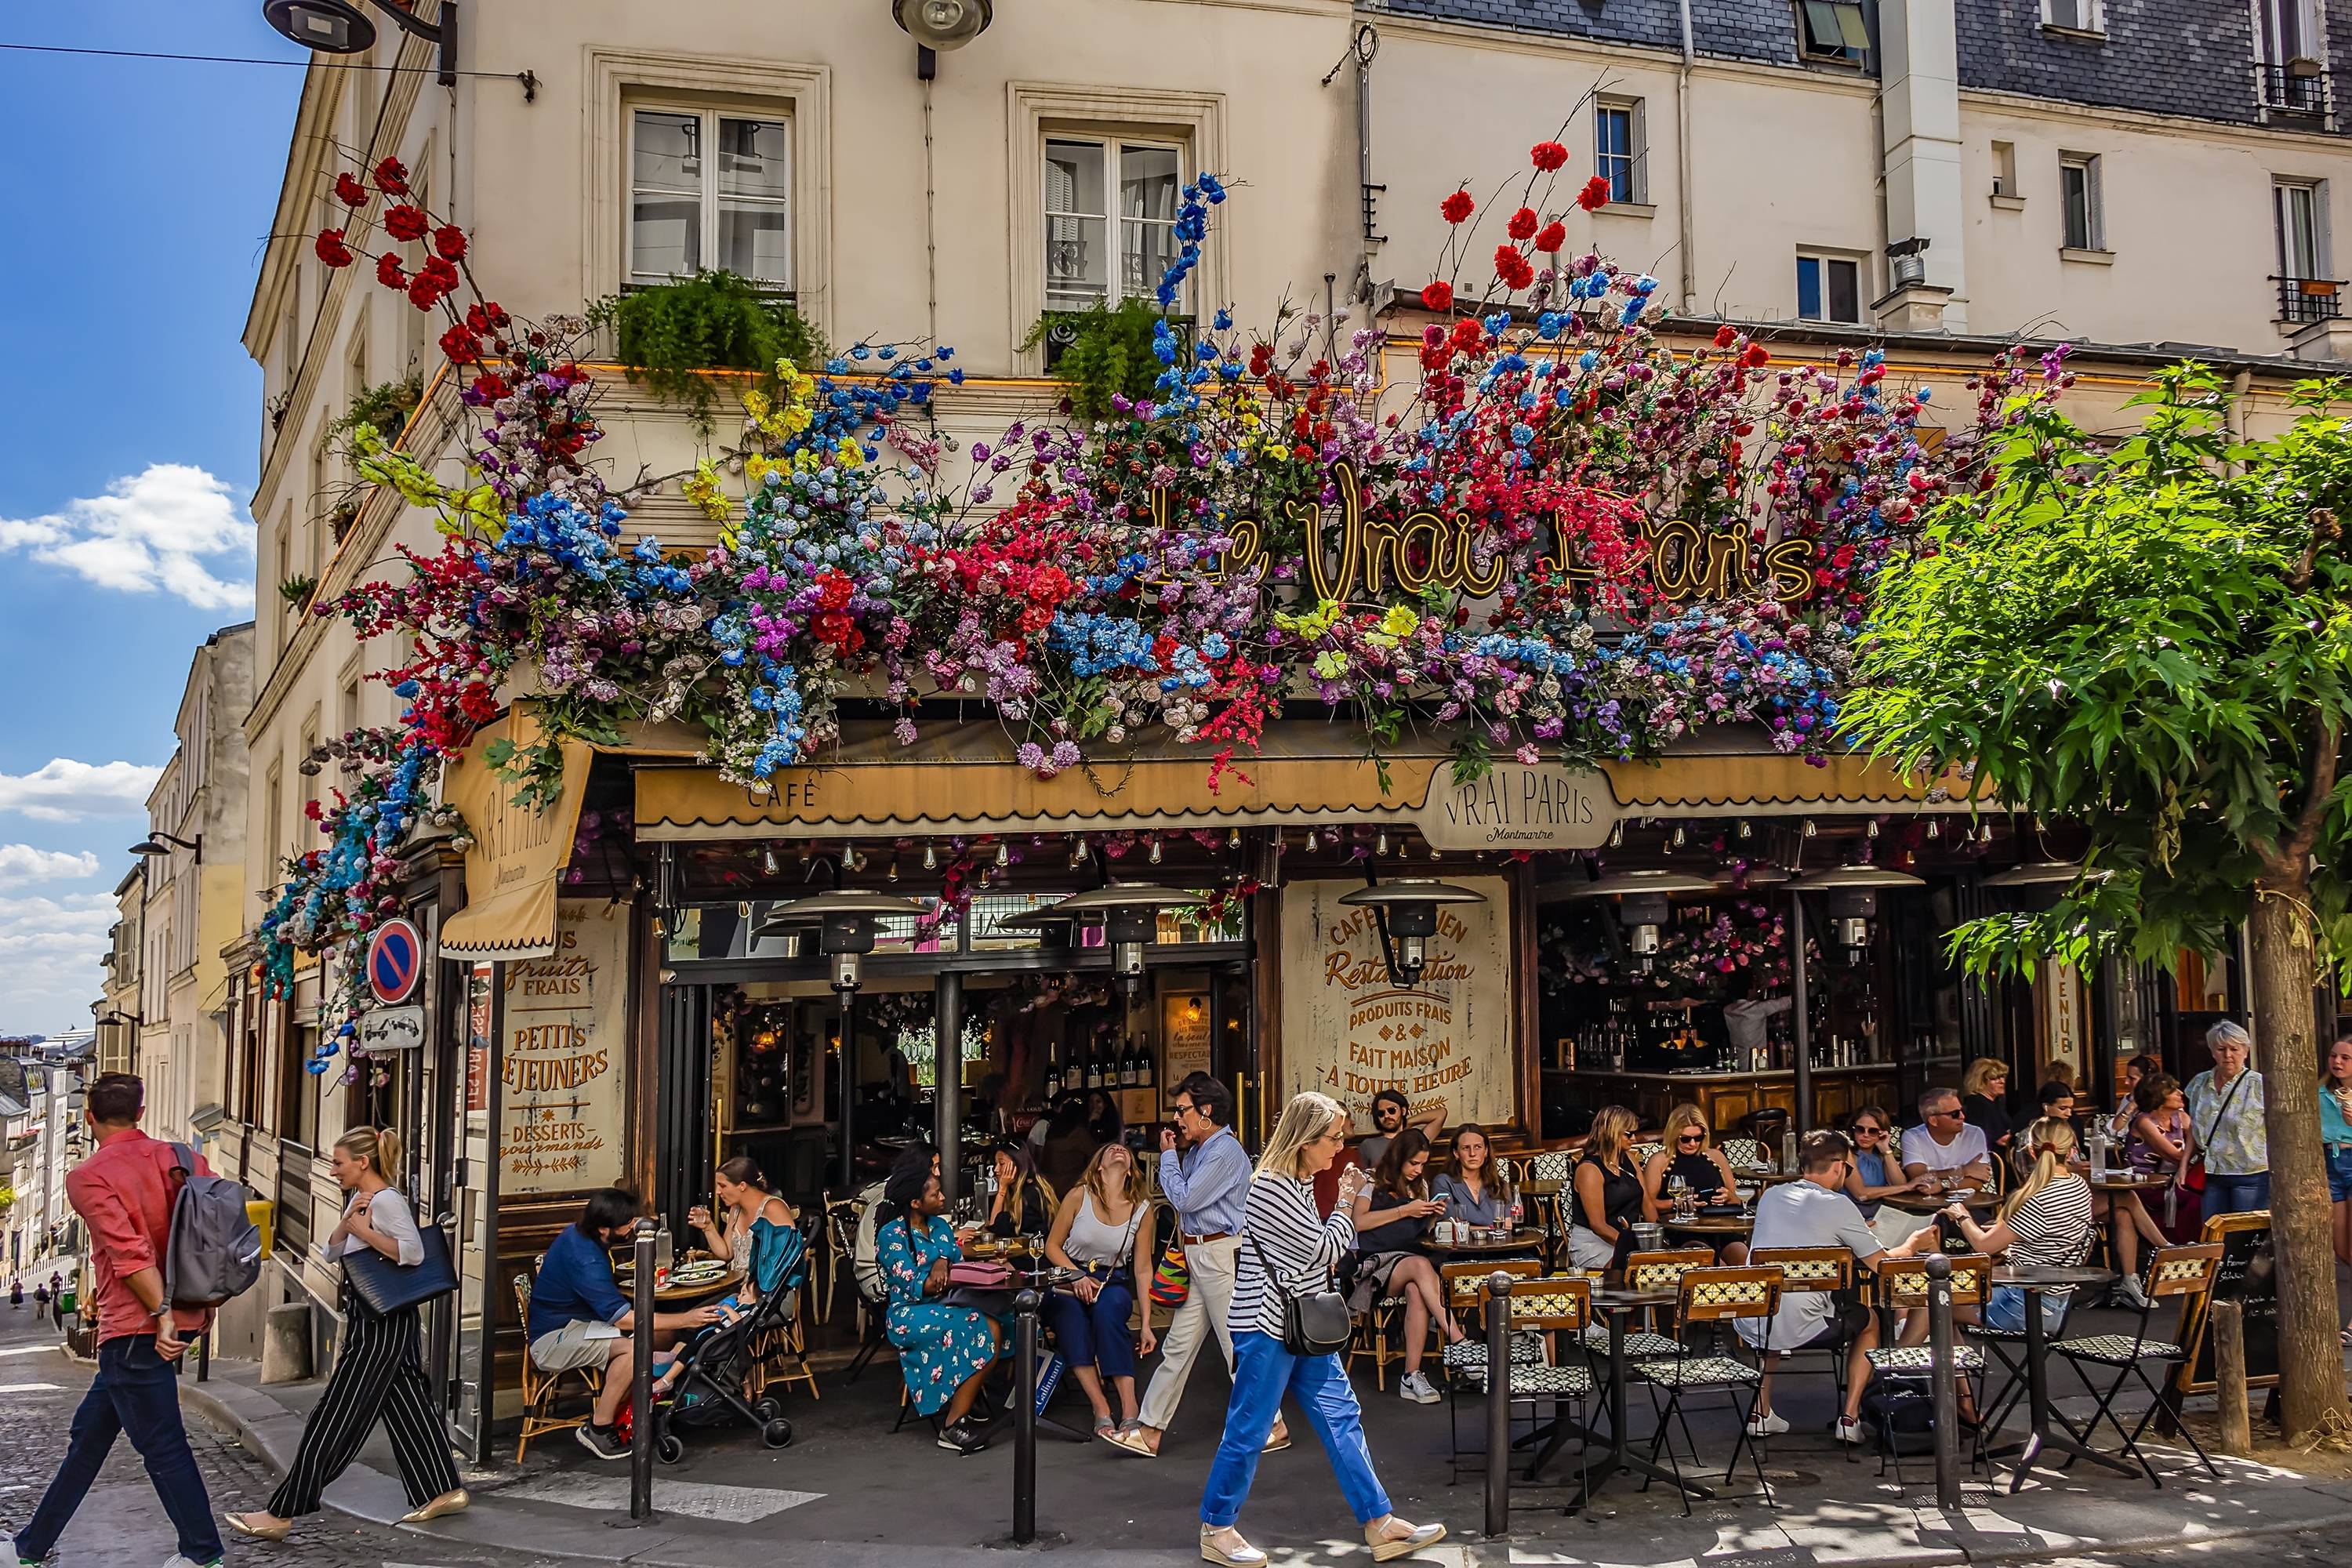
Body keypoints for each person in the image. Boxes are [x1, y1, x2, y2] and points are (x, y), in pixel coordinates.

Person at [1197, 1091, 1444, 1567]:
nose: (1339, 1147)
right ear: (1305, 1138)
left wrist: (1341, 1204)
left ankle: (1379, 1521)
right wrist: (1349, 1199)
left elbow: (1319, 1250)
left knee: (1341, 1417)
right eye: (1333, 1138)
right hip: (1268, 1324)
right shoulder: (1270, 1186)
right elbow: (1326, 1249)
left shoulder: (1298, 1182)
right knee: (1250, 1429)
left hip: (1296, 1322)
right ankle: (1217, 1527)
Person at [7, 1073, 223, 1568]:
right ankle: (31, 1548)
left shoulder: (90, 1176)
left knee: (164, 1446)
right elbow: (207, 1237)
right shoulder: (185, 1159)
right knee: (89, 1437)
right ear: (140, 1113)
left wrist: (164, 1315)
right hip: (176, 1314)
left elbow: (129, 1254)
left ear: (88, 1117)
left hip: (136, 1326)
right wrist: (201, 1305)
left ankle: (202, 1554)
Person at [224, 1128, 466, 1542]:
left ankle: (282, 1512)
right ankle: (441, 1489)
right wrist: (350, 1222)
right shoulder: (362, 1200)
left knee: (335, 1417)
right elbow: (334, 1250)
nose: (333, 1170)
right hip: (377, 1319)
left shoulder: (387, 1199)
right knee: (408, 1405)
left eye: (338, 1163)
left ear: (363, 1163)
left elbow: (414, 1252)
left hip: (382, 1325)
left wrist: (366, 1230)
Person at [1118, 1073, 1290, 1458]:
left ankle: (1274, 1424)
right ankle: (1149, 1430)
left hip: (1220, 1255)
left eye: (1182, 1111)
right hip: (1203, 1255)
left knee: (1236, 1345)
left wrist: (1166, 1157)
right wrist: (1175, 1156)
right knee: (1179, 1346)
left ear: (1206, 1111)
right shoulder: (1200, 1150)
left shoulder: (1224, 1152)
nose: (1177, 1119)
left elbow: (1186, 1200)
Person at [1740, 1131, 1939, 1443]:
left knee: (1778, 1309)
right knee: (1869, 1320)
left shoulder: (1771, 1196)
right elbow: (1882, 1264)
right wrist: (1913, 1244)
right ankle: (1850, 1417)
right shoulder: (1838, 1205)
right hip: (1806, 1323)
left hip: (1754, 1316)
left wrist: (1853, 1231)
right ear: (1838, 1167)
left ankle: (1760, 1410)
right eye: (1849, 1169)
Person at [527, 1189, 718, 1460]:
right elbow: (626, 1318)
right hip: (555, 1337)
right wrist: (688, 1318)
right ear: (605, 1227)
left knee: (664, 1336)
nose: (634, 1224)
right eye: (628, 1222)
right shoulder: (585, 1259)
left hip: (582, 1323)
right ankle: (599, 1426)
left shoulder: (584, 1235)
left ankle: (639, 1405)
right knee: (635, 1350)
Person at [877, 1160, 1001, 1454]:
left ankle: (967, 1392)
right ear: (916, 1202)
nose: (943, 1198)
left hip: (947, 1303)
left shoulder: (941, 1226)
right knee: (982, 1326)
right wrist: (941, 1269)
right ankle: (952, 1425)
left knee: (1002, 1322)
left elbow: (954, 1262)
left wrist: (943, 1263)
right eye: (935, 1195)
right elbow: (917, 1286)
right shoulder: (891, 1236)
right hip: (908, 1313)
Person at [1043, 1141, 1157, 1440]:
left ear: (1130, 1169)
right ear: (1099, 1166)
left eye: (1124, 1150)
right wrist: (1076, 1274)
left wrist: (1146, 1325)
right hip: (1069, 1275)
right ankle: (1101, 1406)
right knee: (1070, 1319)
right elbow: (1052, 1246)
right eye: (1110, 1149)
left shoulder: (1143, 1210)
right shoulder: (1079, 1196)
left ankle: (1130, 1408)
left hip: (1111, 1279)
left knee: (1109, 1313)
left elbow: (1143, 1269)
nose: (1119, 1149)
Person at [1942, 1118, 2096, 1334]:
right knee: (1944, 1302)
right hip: (2057, 1300)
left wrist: (1962, 1216)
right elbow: (2044, 1233)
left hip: (2026, 1304)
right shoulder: (2079, 1185)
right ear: (2071, 1151)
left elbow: (1983, 1246)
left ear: (2031, 1151)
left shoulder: (2035, 1198)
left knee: (1935, 1303)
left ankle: (1900, 1361)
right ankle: (1959, 1368)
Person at [1345, 1129, 1464, 1404]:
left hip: (1408, 1260)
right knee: (1422, 1267)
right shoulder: (1370, 1180)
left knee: (1416, 1290)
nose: (1418, 1170)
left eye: (1423, 1164)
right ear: (1399, 1157)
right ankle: (1459, 1341)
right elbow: (1358, 1223)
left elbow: (1418, 1233)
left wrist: (1431, 1216)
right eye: (1414, 1163)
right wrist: (1405, 1210)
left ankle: (1411, 1376)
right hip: (1375, 1264)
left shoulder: (1419, 1186)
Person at [2184, 1021, 2268, 1220]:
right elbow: (2193, 1126)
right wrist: (2183, 1164)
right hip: (2212, 1173)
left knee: (2243, 1239)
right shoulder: (2199, 1083)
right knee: (2213, 1234)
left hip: (2250, 1174)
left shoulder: (2259, 1085)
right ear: (2213, 1052)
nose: (2228, 1055)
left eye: (2234, 1049)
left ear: (2246, 1052)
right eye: (2221, 1049)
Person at [1841, 1105, 1932, 1249]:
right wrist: (1908, 1186)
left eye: (1873, 1131)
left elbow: (1898, 1183)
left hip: (1882, 1217)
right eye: (1860, 1129)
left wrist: (1886, 1149)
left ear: (1882, 1133)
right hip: (1857, 1219)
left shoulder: (1881, 1157)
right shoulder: (1847, 1154)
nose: (1865, 1135)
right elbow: (1860, 1194)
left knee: (1929, 1233)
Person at [1569, 1105, 1646, 1271]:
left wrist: (1658, 1240)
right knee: (1631, 1267)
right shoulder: (1589, 1169)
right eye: (1629, 1134)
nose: (1634, 1139)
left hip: (1628, 1238)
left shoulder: (1631, 1160)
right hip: (1595, 1241)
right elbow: (1598, 1225)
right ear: (1611, 1132)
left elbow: (1648, 1205)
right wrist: (1632, 1248)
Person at [1900, 1087, 1992, 1189]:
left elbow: (1977, 1182)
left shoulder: (1974, 1133)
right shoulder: (1912, 1137)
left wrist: (1943, 1185)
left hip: (1969, 1201)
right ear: (1933, 1120)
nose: (1962, 1116)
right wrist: (1963, 1171)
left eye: (1962, 1110)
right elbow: (1918, 1176)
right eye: (1955, 1114)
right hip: (1927, 1202)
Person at [2321, 1040, 2352, 1343]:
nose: (2338, 1062)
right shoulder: (2319, 1092)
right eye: (2334, 1056)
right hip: (2328, 1164)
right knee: (2342, 1248)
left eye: (2345, 1057)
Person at [1432, 1123, 1516, 1228]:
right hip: (1461, 1244)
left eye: (1478, 1147)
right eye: (1466, 1148)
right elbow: (1448, 1227)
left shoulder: (1499, 1185)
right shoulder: (1443, 1182)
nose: (1472, 1153)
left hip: (1497, 1244)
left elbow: (1508, 1228)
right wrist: (1493, 1228)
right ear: (1456, 1153)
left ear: (1486, 1151)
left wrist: (1464, 1226)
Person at [1356, 1088, 1443, 1174]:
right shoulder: (1368, 1145)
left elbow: (1441, 1114)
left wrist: (1407, 1123)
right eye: (1381, 1113)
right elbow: (1361, 1180)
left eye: (1392, 1110)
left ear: (1403, 1111)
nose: (1386, 1116)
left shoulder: (1415, 1139)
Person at [982, 1142, 1058, 1237]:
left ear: (1017, 1165)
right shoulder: (1025, 1188)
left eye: (1001, 1164)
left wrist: (1002, 1190)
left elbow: (995, 1227)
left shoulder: (1030, 1194)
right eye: (996, 1164)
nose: (996, 1169)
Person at [1037, 1095, 1100, 1200]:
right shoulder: (1078, 1134)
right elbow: (1098, 1155)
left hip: (1049, 1188)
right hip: (1067, 1189)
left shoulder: (1054, 1130)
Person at [1960, 1058, 2015, 1159]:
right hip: (1991, 1161)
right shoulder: (1978, 1104)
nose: (2002, 1081)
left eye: (2003, 1077)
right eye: (1995, 1078)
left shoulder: (1995, 1103)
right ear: (1980, 1081)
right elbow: (2002, 1139)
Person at [1085, 1085, 1127, 1149]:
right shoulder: (1083, 1122)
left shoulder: (1113, 1122)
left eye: (1098, 1102)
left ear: (1105, 1104)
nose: (1094, 1106)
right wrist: (1089, 1122)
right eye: (1091, 1102)